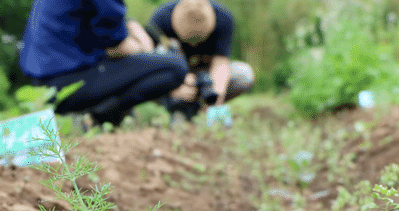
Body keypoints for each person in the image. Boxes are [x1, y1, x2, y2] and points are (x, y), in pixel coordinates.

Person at [18, 0, 189, 127]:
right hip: (68, 82)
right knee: (175, 67)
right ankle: (94, 118)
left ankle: (95, 118)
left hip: (42, 85)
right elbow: (118, 46)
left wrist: (130, 27)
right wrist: (147, 50)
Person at [146, 0, 255, 121]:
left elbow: (221, 64)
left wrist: (215, 97)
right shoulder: (160, 20)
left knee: (244, 74)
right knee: (143, 81)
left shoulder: (224, 19)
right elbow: (151, 67)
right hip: (172, 76)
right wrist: (171, 88)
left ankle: (201, 107)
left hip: (207, 74)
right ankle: (178, 107)